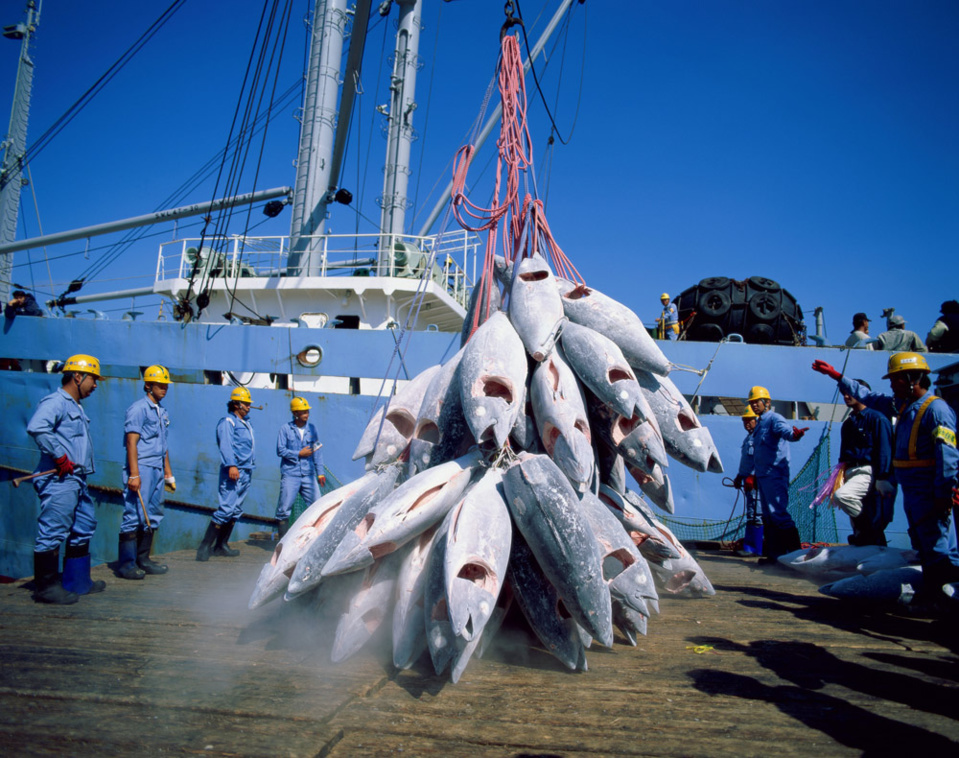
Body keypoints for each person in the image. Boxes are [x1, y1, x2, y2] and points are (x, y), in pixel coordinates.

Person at [813, 353, 959, 601]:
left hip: (929, 492)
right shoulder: (902, 405)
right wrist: (837, 376)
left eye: (895, 379)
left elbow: (947, 456)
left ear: (912, 378)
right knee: (923, 543)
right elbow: (869, 396)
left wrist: (943, 493)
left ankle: (943, 601)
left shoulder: (936, 410)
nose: (891, 385)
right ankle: (934, 595)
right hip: (913, 492)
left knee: (937, 546)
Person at [26, 354, 105, 604]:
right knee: (53, 530)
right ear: (77, 376)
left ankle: (78, 581)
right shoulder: (56, 401)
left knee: (84, 525)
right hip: (59, 479)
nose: (95, 385)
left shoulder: (76, 406)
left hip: (77, 479)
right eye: (93, 379)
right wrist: (59, 456)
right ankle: (46, 588)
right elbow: (37, 427)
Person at [117, 365, 175, 580]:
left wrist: (168, 473)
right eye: (160, 385)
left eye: (166, 386)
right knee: (134, 514)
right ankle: (127, 564)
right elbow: (131, 442)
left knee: (153, 513)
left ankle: (143, 559)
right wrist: (134, 474)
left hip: (157, 468)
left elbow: (163, 445)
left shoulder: (161, 411)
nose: (164, 389)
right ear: (148, 385)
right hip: (142, 467)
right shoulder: (138, 409)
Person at [828, 379, 895, 545]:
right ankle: (867, 537)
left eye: (849, 392)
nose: (846, 396)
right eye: (844, 393)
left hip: (868, 472)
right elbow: (843, 455)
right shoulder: (848, 424)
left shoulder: (877, 419)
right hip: (850, 472)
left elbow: (885, 450)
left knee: (843, 496)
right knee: (861, 517)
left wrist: (883, 477)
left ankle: (868, 532)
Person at [746, 385, 808, 563]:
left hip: (774, 475)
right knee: (768, 516)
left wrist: (795, 435)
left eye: (757, 402)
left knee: (778, 514)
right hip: (763, 476)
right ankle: (775, 556)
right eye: (752, 402)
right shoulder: (759, 424)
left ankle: (796, 556)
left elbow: (786, 432)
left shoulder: (775, 419)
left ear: (767, 402)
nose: (754, 405)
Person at [197, 387, 256, 561]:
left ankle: (221, 545)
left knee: (235, 509)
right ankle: (204, 547)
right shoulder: (228, 422)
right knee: (226, 508)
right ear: (236, 404)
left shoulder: (246, 423)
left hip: (246, 470)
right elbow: (226, 445)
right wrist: (231, 465)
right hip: (234, 470)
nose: (249, 407)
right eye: (246, 403)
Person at [275, 397, 326, 538]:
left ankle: (313, 539)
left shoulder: (312, 429)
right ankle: (282, 543)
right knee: (284, 510)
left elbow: (317, 452)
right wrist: (298, 453)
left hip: (308, 475)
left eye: (307, 411)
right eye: (303, 412)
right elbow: (280, 450)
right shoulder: (285, 429)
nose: (306, 414)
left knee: (317, 506)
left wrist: (320, 473)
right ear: (295, 413)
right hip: (291, 474)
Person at [732, 408, 764, 557]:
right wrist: (740, 476)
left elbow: (762, 459)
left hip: (755, 481)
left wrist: (754, 476)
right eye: (744, 420)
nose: (746, 423)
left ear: (756, 420)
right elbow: (747, 461)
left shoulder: (760, 437)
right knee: (751, 512)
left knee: (757, 513)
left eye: (749, 420)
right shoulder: (749, 438)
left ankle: (755, 548)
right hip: (748, 481)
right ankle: (749, 547)